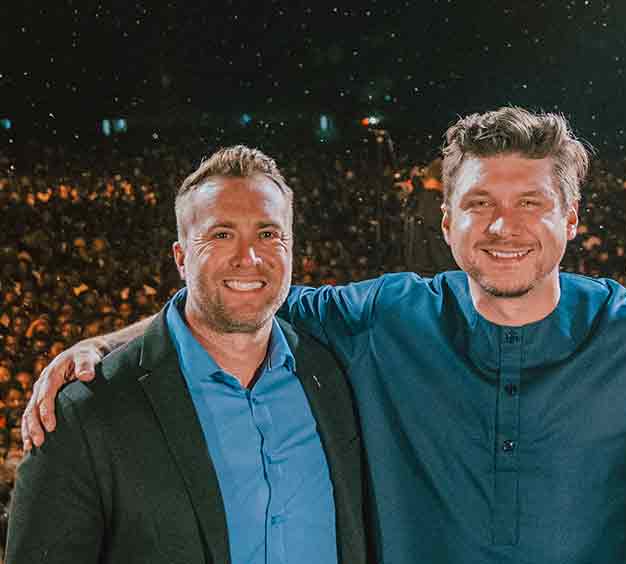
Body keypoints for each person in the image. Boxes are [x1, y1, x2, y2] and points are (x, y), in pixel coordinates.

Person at [24, 108, 626, 564]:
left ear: (572, 218)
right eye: (479, 203)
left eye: (532, 202)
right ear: (446, 222)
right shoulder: (379, 317)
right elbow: (235, 296)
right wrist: (107, 341)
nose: (504, 224)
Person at [6, 147, 371, 564]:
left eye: (268, 234)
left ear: (292, 250)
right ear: (180, 258)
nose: (248, 258)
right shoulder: (83, 414)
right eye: (221, 234)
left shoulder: (335, 376)